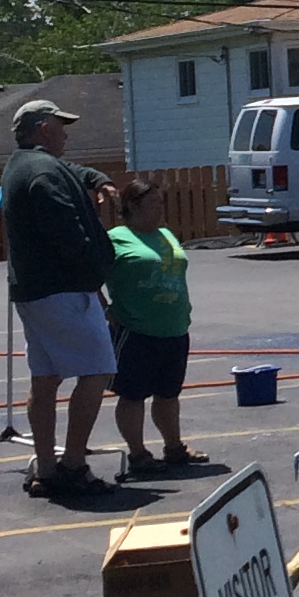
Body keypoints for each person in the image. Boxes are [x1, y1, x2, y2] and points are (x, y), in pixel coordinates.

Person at [0, 97, 119, 501]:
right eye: (61, 126)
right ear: (44, 128)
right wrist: (96, 267)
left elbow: (71, 171)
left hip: (33, 291)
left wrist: (97, 179)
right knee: (98, 370)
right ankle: (73, 465)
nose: (66, 134)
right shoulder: (43, 173)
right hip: (63, 290)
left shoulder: (24, 164)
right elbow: (67, 233)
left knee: (46, 377)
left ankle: (46, 469)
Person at [104, 173, 210, 477]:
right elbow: (86, 276)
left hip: (174, 328)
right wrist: (106, 311)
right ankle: (138, 454)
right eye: (152, 203)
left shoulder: (166, 235)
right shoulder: (116, 238)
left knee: (168, 393)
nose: (159, 209)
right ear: (132, 206)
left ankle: (174, 447)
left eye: (160, 202)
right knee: (133, 395)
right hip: (136, 330)